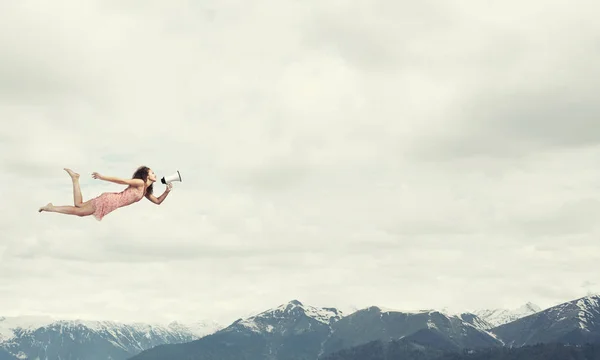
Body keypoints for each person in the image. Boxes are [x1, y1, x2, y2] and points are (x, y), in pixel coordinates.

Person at [38, 166, 173, 221]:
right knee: (78, 211)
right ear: (146, 175)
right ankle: (51, 208)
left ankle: (75, 178)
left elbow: (157, 201)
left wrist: (167, 191)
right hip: (109, 201)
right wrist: (102, 177)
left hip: (110, 200)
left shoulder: (144, 191)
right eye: (152, 172)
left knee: (78, 205)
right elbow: (121, 180)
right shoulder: (139, 183)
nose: (155, 174)